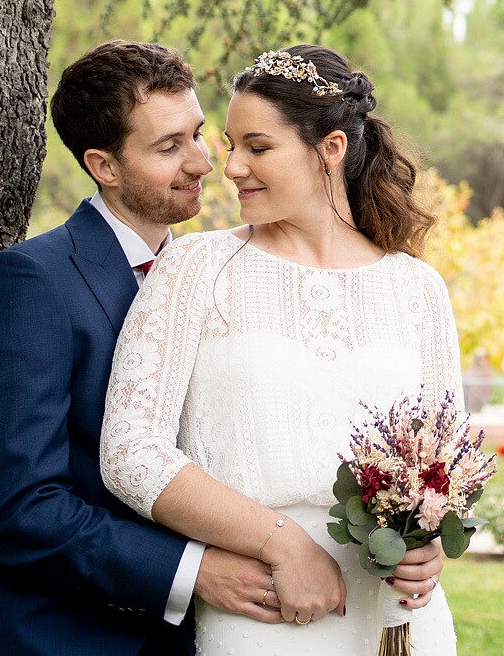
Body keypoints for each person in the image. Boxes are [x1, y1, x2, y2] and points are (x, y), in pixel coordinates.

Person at [102, 45, 461, 654]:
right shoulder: (197, 268)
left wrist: (429, 546)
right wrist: (280, 541)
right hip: (265, 610)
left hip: (401, 619)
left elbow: (444, 461)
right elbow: (131, 453)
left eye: (257, 147)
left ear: (331, 150)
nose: (231, 166)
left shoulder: (417, 288)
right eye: (231, 145)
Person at [0, 41, 281, 655]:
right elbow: (23, 509)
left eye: (197, 134)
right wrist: (194, 572)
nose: (203, 163)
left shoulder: (217, 273)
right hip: (72, 638)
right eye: (169, 147)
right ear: (104, 166)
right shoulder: (32, 282)